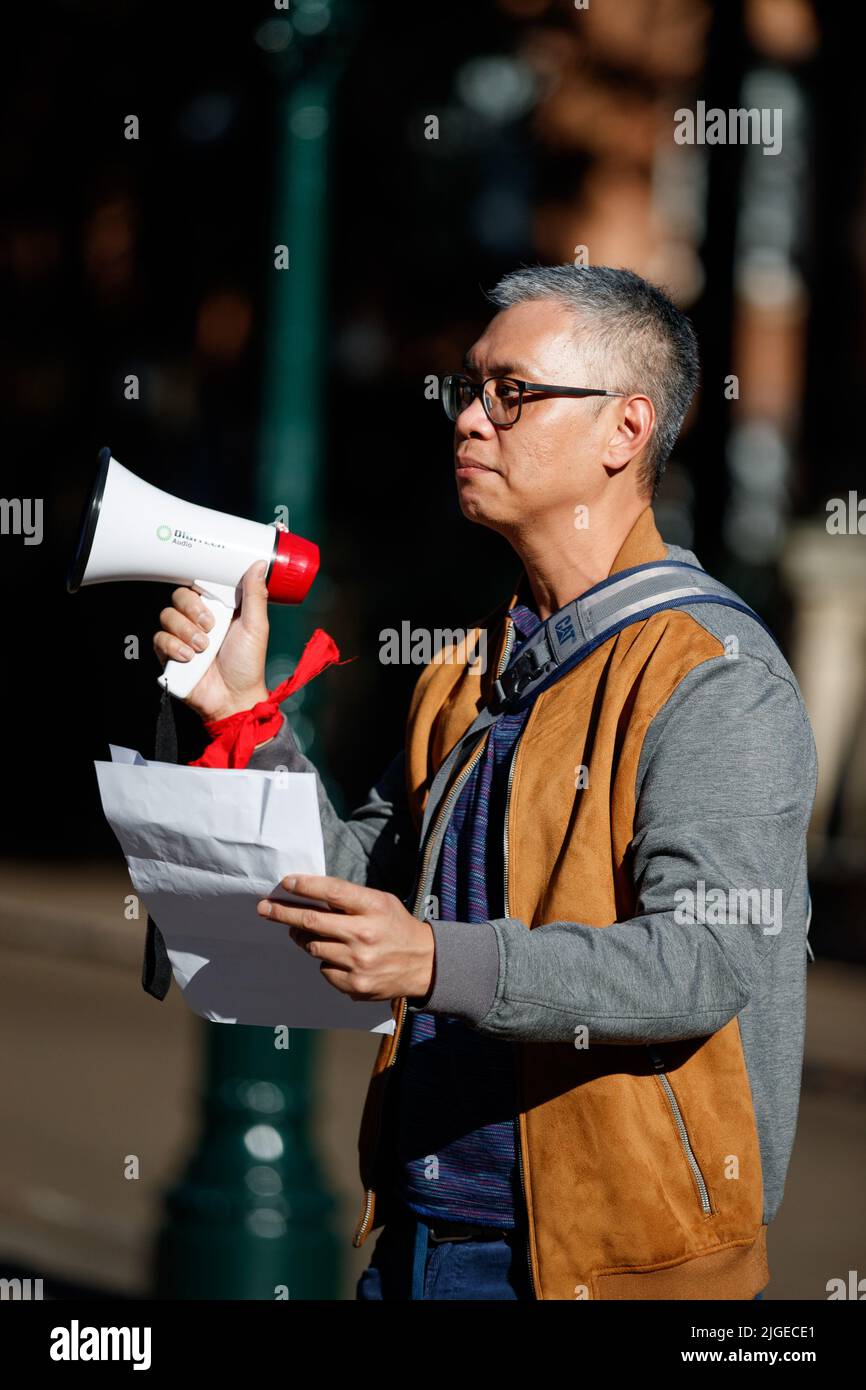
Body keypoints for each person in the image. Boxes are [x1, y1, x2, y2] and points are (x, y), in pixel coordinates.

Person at [153, 264, 816, 1301]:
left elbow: (704, 958)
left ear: (622, 431)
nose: (466, 419)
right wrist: (245, 717)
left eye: (511, 393)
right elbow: (346, 882)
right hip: (415, 1240)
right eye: (470, 388)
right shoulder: (466, 670)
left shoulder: (708, 676)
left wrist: (434, 959)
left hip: (601, 1268)